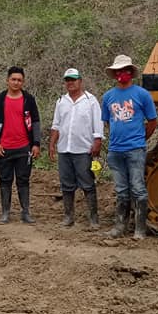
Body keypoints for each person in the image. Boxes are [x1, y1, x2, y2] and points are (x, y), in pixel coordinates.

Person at [102, 54, 158, 240]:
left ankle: (140, 228)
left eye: (125, 70)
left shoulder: (142, 94)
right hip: (115, 150)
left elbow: (152, 121)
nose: (121, 74)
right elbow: (108, 122)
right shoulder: (108, 97)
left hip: (135, 149)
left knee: (138, 188)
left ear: (130, 72)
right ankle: (120, 226)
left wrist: (141, 138)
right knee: (121, 189)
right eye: (118, 71)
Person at [48, 68, 103, 229]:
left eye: (73, 79)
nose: (70, 83)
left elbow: (98, 123)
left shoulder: (90, 101)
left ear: (80, 81)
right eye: (67, 80)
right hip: (64, 148)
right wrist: (52, 144)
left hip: (83, 149)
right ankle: (68, 217)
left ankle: (93, 218)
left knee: (87, 183)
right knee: (66, 184)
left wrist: (97, 141)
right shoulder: (61, 101)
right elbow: (56, 125)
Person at [0, 66, 42, 224]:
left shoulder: (28, 99)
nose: (16, 82)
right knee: (5, 181)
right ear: (7, 80)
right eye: (13, 79)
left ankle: (25, 212)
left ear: (23, 82)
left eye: (19, 80)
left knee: (23, 180)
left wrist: (36, 143)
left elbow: (36, 121)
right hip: (4, 148)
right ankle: (5, 213)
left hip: (24, 147)